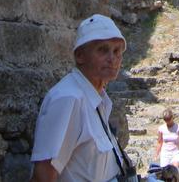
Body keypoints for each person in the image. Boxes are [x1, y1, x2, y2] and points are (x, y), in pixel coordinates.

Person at [31, 14, 135, 182]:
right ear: (80, 56)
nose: (112, 59)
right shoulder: (68, 99)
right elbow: (44, 175)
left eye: (117, 51)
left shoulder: (97, 98)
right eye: (103, 50)